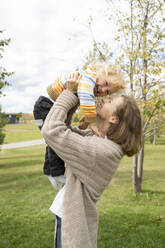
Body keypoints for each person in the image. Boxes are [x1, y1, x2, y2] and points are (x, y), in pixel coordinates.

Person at [41, 73, 143, 248]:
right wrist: (76, 96)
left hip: (72, 222)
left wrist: (68, 94)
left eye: (110, 102)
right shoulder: (103, 142)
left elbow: (52, 131)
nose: (104, 100)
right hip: (66, 214)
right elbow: (65, 131)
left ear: (114, 119)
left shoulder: (101, 151)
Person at [34, 62, 125, 189]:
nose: (103, 90)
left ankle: (49, 171)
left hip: (48, 105)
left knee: (52, 141)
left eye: (107, 92)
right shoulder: (88, 79)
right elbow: (85, 98)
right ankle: (56, 171)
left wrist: (88, 119)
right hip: (45, 105)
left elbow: (86, 101)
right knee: (55, 139)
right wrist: (92, 122)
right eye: (106, 84)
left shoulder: (88, 85)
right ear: (99, 72)